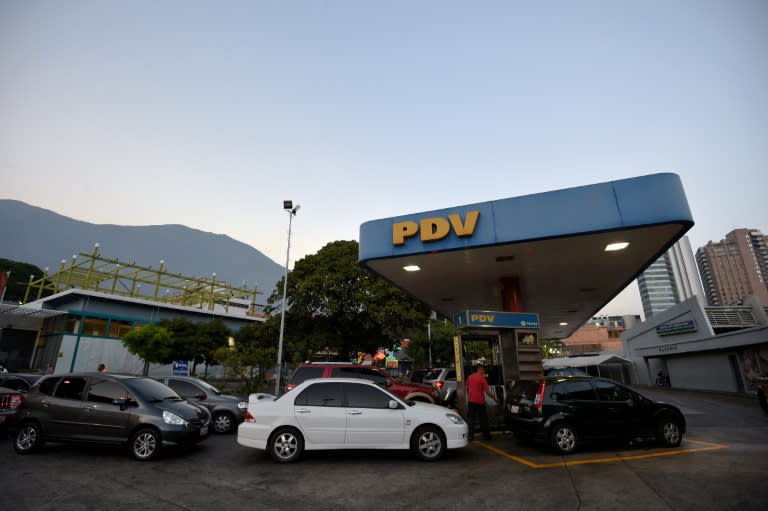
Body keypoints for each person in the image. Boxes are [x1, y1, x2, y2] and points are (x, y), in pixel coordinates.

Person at [465, 364, 498, 441]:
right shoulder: (483, 379)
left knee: (470, 419)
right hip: (480, 402)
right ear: (480, 369)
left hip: (471, 402)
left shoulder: (470, 377)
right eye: (483, 370)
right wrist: (495, 399)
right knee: (483, 419)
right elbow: (488, 392)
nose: (484, 372)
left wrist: (470, 396)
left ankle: (470, 436)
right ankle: (486, 436)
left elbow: (467, 388)